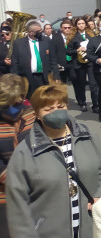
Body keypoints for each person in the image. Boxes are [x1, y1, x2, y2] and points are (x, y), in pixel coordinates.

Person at [6, 84, 101, 238]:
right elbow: (18, 206)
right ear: (37, 114)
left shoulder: (88, 136)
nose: (56, 112)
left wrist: (100, 194)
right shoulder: (25, 152)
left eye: (60, 106)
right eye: (48, 109)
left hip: (90, 229)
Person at [0, 74, 36, 234]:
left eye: (18, 102)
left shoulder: (32, 116)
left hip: (35, 192)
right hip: (5, 196)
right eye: (8, 104)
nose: (14, 108)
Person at [10, 20, 60, 97]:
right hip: (28, 77)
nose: (42, 32)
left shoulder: (46, 41)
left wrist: (56, 75)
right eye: (39, 31)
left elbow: (53, 59)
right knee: (30, 100)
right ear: (31, 32)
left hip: (43, 77)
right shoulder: (19, 43)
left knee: (44, 99)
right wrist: (15, 79)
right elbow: (15, 62)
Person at [67, 16, 94, 112]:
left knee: (93, 84)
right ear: (76, 26)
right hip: (79, 63)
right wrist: (77, 50)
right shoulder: (73, 37)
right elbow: (68, 51)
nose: (81, 25)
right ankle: (82, 102)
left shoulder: (91, 34)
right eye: (79, 24)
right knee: (81, 84)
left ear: (85, 24)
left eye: (83, 23)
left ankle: (95, 104)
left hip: (90, 62)